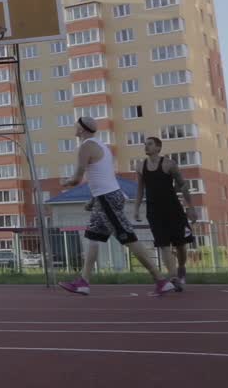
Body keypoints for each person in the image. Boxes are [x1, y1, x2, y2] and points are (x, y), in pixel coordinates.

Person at [57, 116, 175, 297]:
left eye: (75, 125)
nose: (74, 127)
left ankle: (160, 280)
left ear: (81, 129)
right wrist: (94, 200)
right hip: (106, 197)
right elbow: (101, 176)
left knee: (128, 238)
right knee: (93, 238)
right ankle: (83, 282)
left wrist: (64, 183)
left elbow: (77, 178)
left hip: (107, 199)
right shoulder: (101, 145)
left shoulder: (86, 146)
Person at [134, 137, 196, 290]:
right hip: (154, 211)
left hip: (174, 210)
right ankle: (173, 277)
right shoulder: (141, 166)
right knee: (163, 245)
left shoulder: (169, 164)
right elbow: (140, 189)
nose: (146, 146)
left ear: (158, 147)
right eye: (145, 144)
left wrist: (191, 208)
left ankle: (181, 268)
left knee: (181, 244)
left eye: (150, 144)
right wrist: (136, 208)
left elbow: (182, 185)